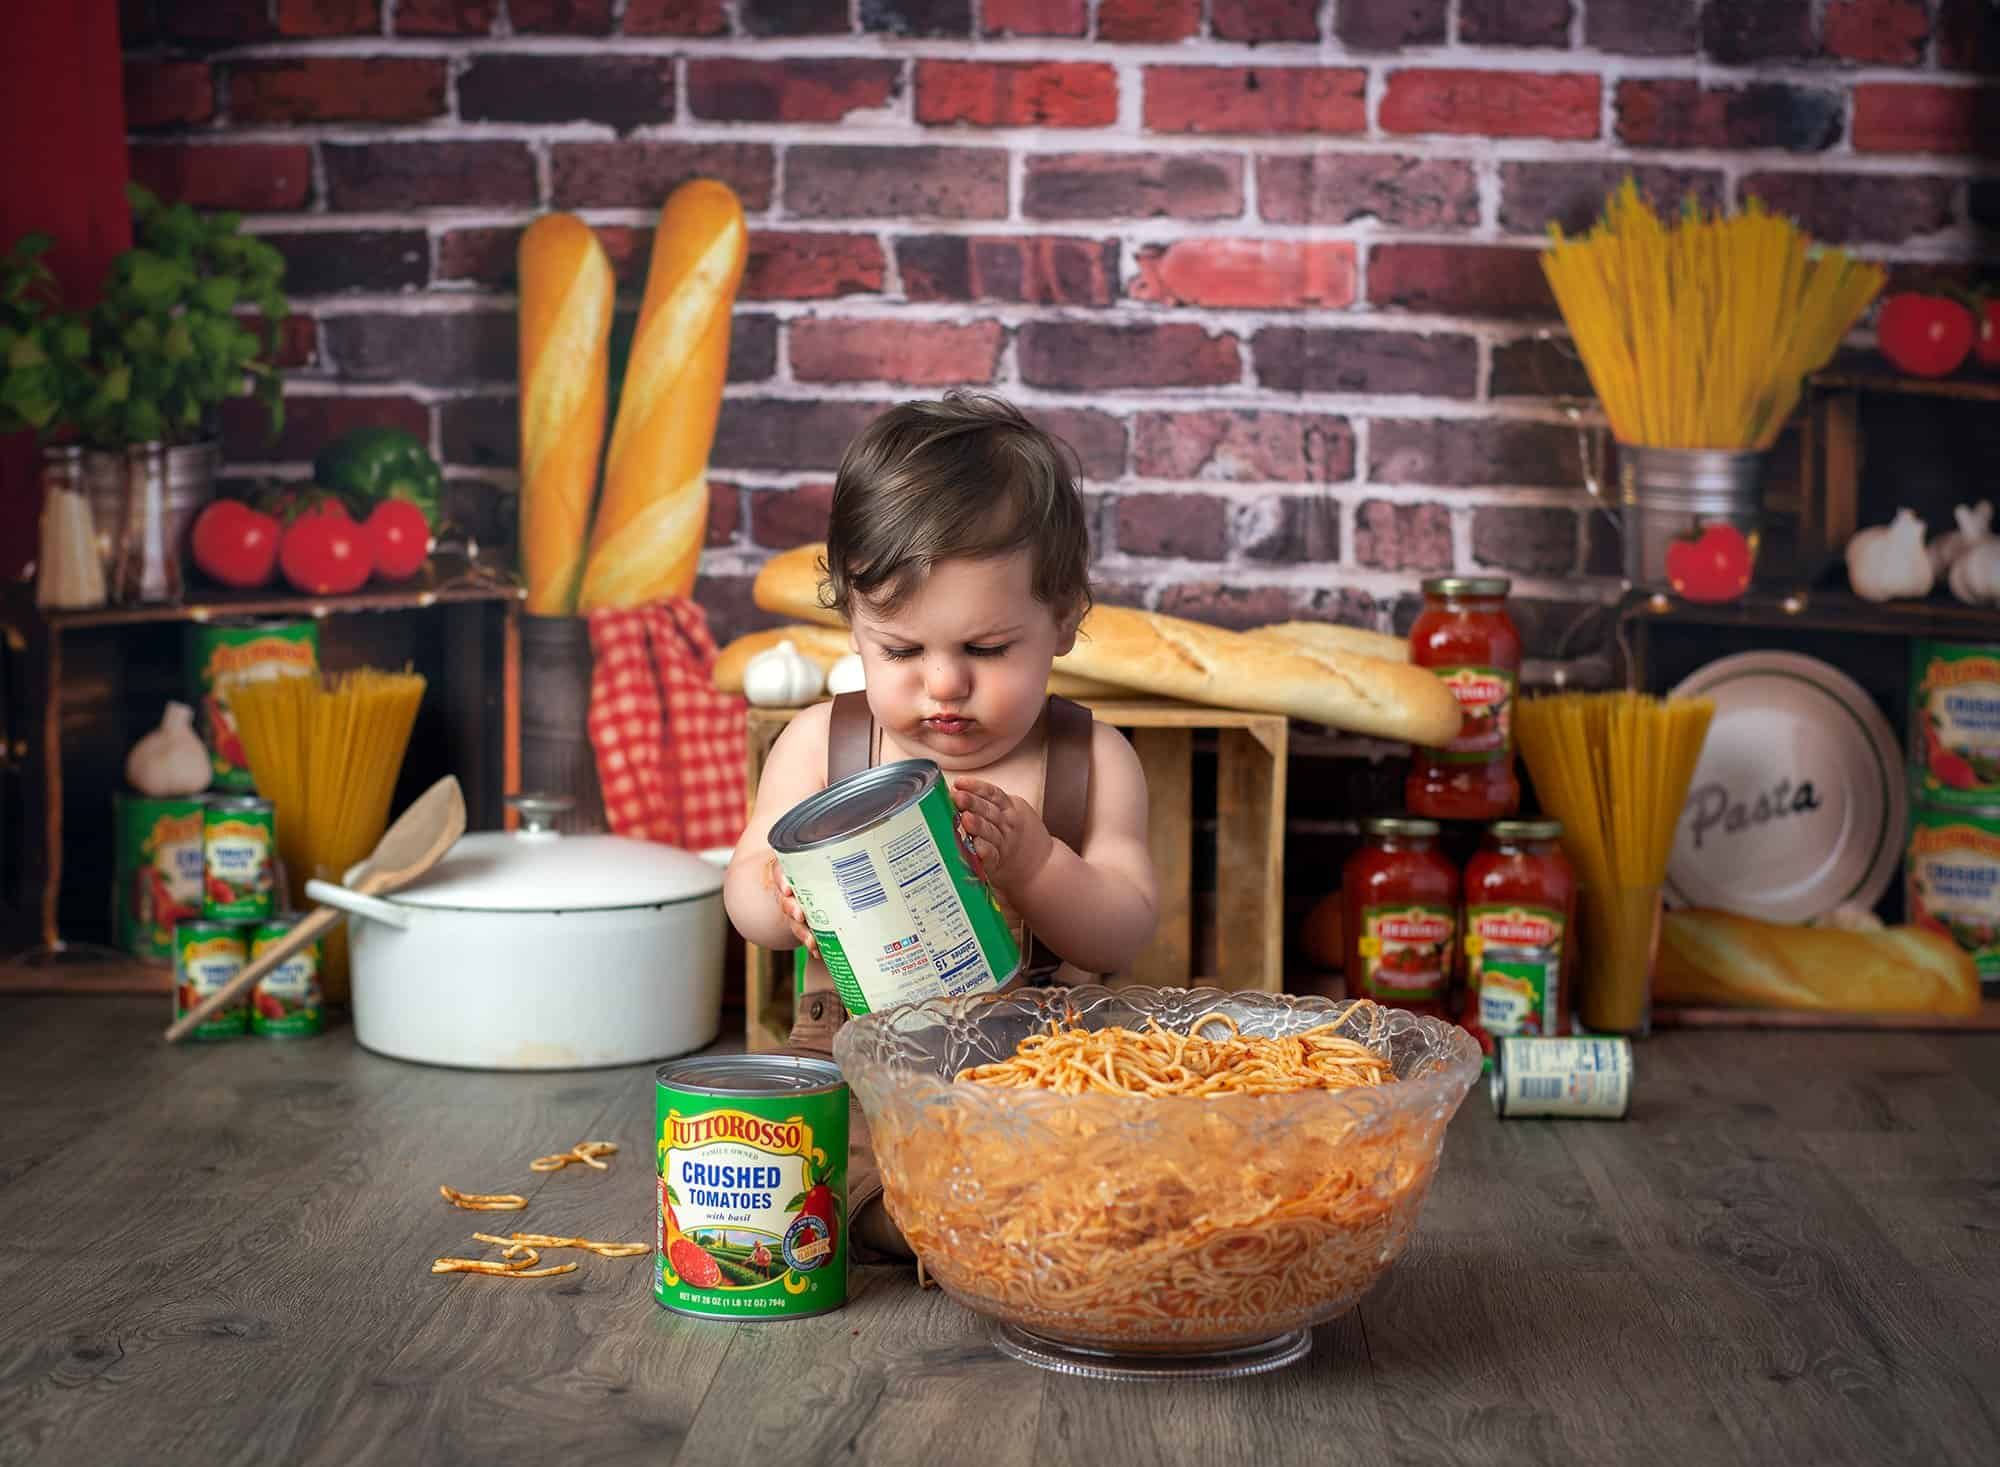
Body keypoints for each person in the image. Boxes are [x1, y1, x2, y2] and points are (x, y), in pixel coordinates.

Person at [723, 391, 1159, 1255]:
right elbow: (742, 891)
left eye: (986, 650)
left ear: (1065, 618)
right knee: (816, 1163)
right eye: (903, 650)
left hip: (1042, 1061)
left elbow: (1126, 925)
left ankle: (1006, 1214)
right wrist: (781, 895)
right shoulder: (825, 744)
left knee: (1120, 1154)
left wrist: (1036, 865)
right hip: (858, 1059)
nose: (944, 684)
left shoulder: (1090, 758)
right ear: (852, 618)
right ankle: (928, 1222)